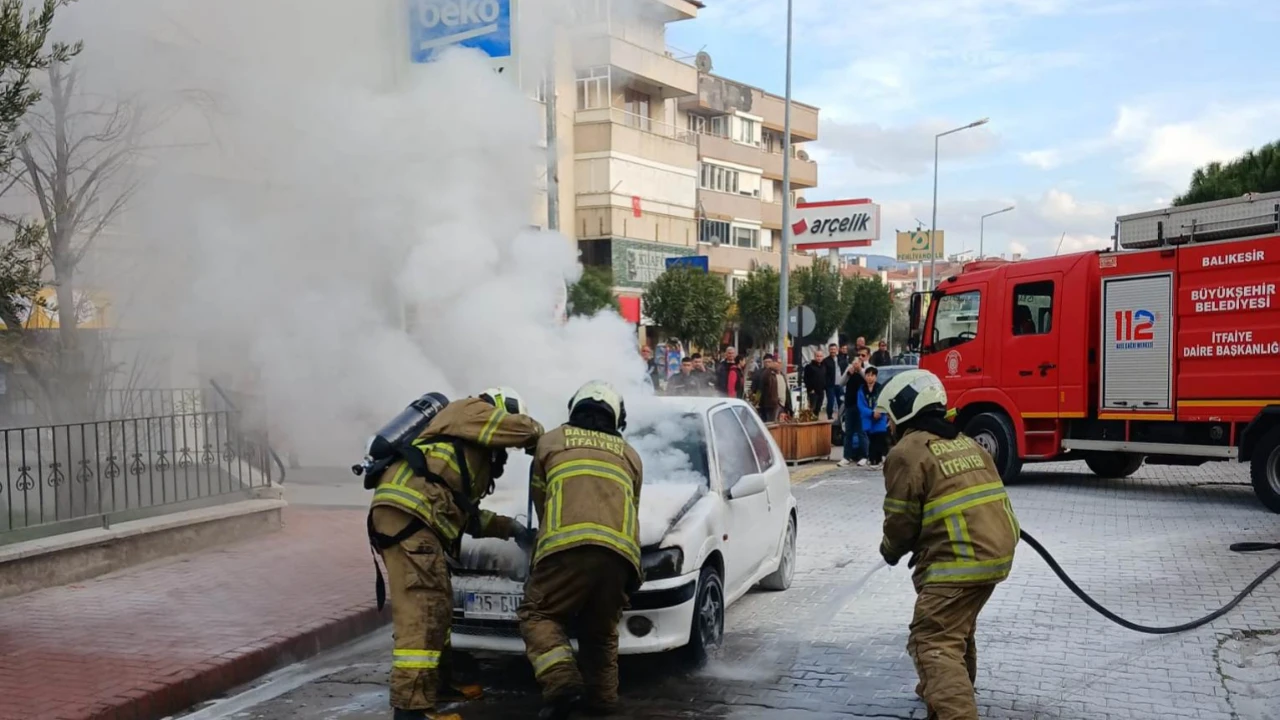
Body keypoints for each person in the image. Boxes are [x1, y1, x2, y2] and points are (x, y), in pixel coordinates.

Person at [368, 387, 543, 720]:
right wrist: (540, 437)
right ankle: (411, 710)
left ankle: (438, 685)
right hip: (411, 518)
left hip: (412, 516)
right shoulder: (471, 409)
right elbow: (524, 429)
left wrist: (513, 529)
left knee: (439, 605)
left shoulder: (464, 443)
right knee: (423, 610)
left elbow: (467, 515)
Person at [875, 370, 1019, 720]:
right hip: (995, 552)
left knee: (932, 640)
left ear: (904, 411)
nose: (888, 425)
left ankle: (954, 706)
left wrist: (890, 550)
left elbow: (901, 520)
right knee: (955, 629)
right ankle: (943, 690)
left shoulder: (907, 453)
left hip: (960, 560)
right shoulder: (967, 442)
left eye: (890, 416)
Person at [519, 381, 643, 720]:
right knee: (600, 632)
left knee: (538, 614)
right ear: (616, 417)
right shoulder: (630, 454)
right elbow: (633, 507)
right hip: (620, 556)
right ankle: (602, 701)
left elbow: (541, 500)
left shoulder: (551, 441)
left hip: (564, 549)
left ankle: (562, 683)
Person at [856, 366, 889, 466]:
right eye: (868, 375)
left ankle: (878, 459)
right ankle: (872, 459)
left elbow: (883, 402)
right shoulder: (861, 389)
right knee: (871, 439)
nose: (869, 377)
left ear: (875, 377)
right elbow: (860, 405)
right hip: (868, 418)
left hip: (879, 418)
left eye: (872, 375)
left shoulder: (880, 388)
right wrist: (871, 413)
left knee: (879, 438)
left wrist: (878, 411)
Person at [836, 357, 865, 467]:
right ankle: (846, 457)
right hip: (849, 404)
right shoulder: (849, 371)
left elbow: (868, 380)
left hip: (861, 406)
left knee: (861, 432)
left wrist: (860, 370)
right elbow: (841, 383)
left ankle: (864, 456)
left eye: (857, 363)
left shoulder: (864, 370)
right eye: (854, 363)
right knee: (848, 432)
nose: (855, 365)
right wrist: (848, 373)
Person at [802, 348, 828, 415]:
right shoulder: (809, 367)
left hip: (821, 391)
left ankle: (816, 419)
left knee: (818, 408)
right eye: (817, 356)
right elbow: (806, 379)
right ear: (814, 356)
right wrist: (810, 389)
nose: (819, 358)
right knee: (812, 408)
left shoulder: (824, 367)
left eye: (820, 356)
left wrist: (824, 387)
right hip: (813, 391)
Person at [823, 343, 841, 419]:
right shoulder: (825, 361)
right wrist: (825, 384)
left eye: (834, 349)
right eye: (831, 349)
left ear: (837, 350)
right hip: (830, 385)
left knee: (840, 401)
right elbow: (824, 374)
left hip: (840, 384)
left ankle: (841, 416)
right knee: (831, 401)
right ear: (829, 350)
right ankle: (829, 416)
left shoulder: (841, 359)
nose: (833, 351)